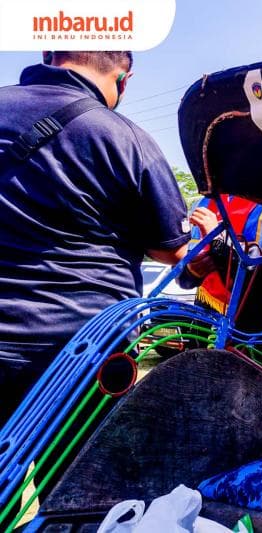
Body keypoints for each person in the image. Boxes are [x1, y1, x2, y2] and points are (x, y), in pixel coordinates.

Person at [0, 51, 190, 425]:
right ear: (124, 80)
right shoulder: (125, 138)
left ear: (49, 56)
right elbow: (171, 250)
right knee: (78, 480)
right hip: (80, 355)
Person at [178, 195, 262, 334]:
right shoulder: (202, 204)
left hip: (257, 329)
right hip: (206, 321)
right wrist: (191, 271)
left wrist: (220, 241)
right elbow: (181, 267)